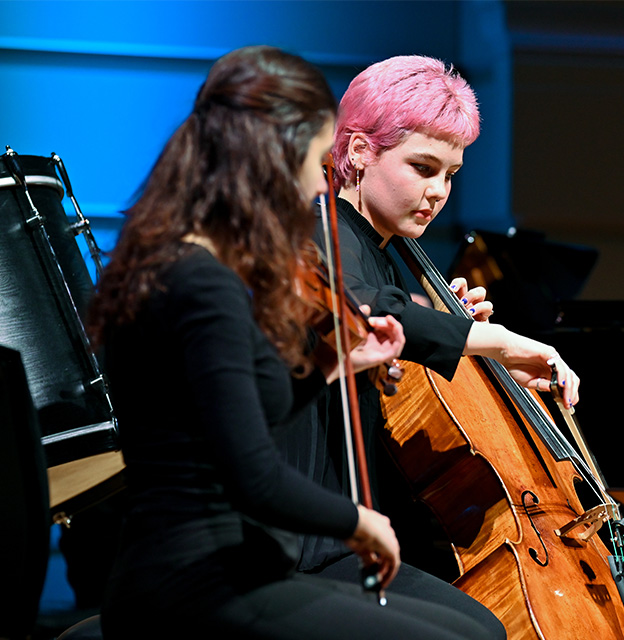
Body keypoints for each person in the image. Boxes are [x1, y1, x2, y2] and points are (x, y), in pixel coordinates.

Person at [85, 45, 498, 640]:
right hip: (191, 582)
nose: (316, 183)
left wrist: (329, 365)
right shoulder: (202, 284)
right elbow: (252, 474)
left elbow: (249, 416)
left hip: (222, 569)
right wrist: (359, 522)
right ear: (269, 163)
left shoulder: (191, 266)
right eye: (312, 162)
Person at [285, 55, 580, 638]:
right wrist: (492, 341)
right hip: (290, 542)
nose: (438, 191)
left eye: (450, 174)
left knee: (481, 627)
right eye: (422, 167)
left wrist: (479, 368)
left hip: (341, 538)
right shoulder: (316, 230)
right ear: (361, 152)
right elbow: (368, 310)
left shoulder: (378, 253)